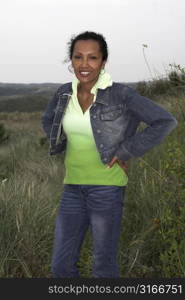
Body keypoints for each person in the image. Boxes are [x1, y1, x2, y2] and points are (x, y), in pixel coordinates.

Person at [42, 31, 178, 278]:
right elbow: (49, 120)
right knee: (61, 267)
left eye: (92, 58)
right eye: (78, 57)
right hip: (72, 187)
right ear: (70, 61)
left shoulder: (120, 94)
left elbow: (165, 121)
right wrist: (61, 146)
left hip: (107, 187)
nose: (84, 65)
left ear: (103, 61)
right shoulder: (63, 93)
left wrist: (126, 151)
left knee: (103, 267)